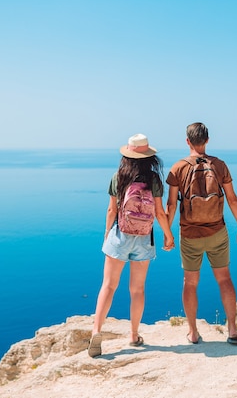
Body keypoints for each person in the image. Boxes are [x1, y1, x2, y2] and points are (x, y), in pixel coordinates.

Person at [88, 133, 175, 358]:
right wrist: (168, 235)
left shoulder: (119, 176)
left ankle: (96, 331)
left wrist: (107, 233)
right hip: (145, 237)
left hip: (120, 235)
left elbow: (111, 211)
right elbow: (159, 212)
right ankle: (134, 335)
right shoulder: (154, 179)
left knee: (108, 285)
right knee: (137, 289)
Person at [165, 122, 237, 345]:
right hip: (217, 232)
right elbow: (232, 199)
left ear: (187, 141)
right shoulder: (219, 165)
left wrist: (168, 233)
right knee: (224, 279)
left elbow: (172, 204)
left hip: (190, 235)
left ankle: (193, 332)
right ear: (207, 140)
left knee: (190, 283)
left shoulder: (177, 168)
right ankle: (232, 330)